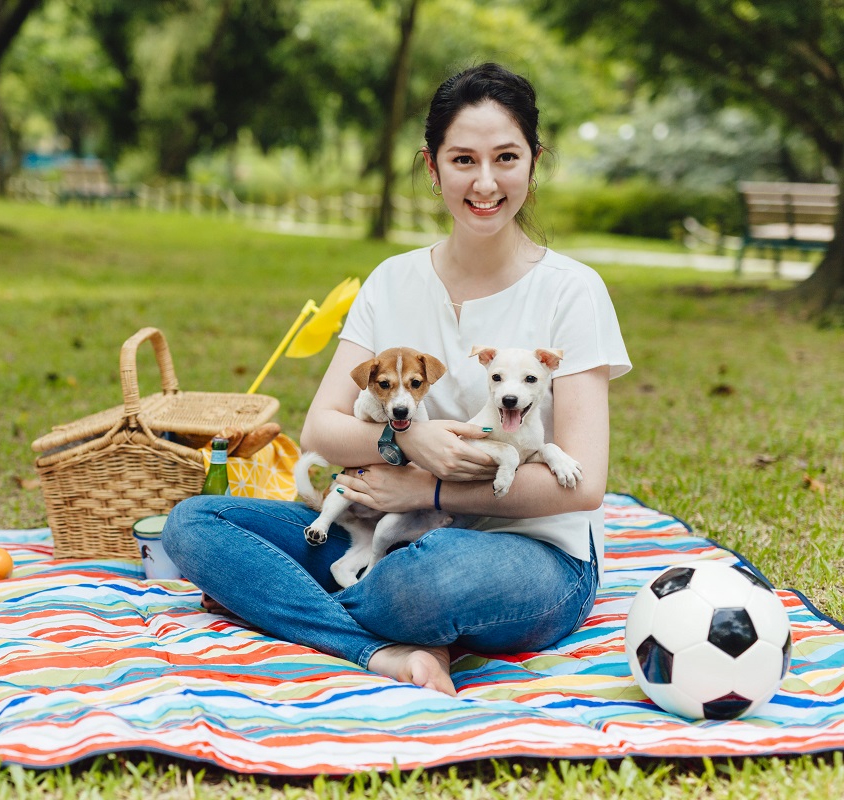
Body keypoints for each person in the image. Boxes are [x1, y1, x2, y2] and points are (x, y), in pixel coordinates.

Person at [162, 62, 631, 695]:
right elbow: (322, 431)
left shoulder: (573, 291)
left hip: (531, 555)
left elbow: (581, 484)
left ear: (534, 162)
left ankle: (298, 607)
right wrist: (404, 442)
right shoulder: (391, 282)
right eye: (463, 159)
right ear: (433, 167)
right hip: (383, 533)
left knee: (431, 578)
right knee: (192, 525)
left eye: (506, 158)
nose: (485, 182)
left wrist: (427, 492)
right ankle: (379, 649)